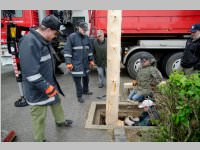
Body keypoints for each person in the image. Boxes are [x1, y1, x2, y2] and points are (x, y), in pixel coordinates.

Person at [19, 15, 73, 142]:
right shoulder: (29, 42)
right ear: (48, 30)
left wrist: (50, 84)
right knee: (39, 116)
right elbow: (30, 73)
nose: (55, 36)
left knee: (56, 102)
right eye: (55, 33)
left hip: (49, 83)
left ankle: (60, 121)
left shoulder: (43, 40)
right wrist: (46, 87)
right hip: (37, 90)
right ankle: (39, 140)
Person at [64, 22, 94, 103]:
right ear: (79, 28)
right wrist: (68, 63)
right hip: (76, 64)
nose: (84, 31)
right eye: (83, 30)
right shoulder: (72, 37)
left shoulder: (86, 38)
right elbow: (67, 51)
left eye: (85, 30)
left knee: (86, 79)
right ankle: (79, 96)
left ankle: (85, 90)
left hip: (85, 64)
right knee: (77, 82)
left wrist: (91, 60)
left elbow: (89, 50)